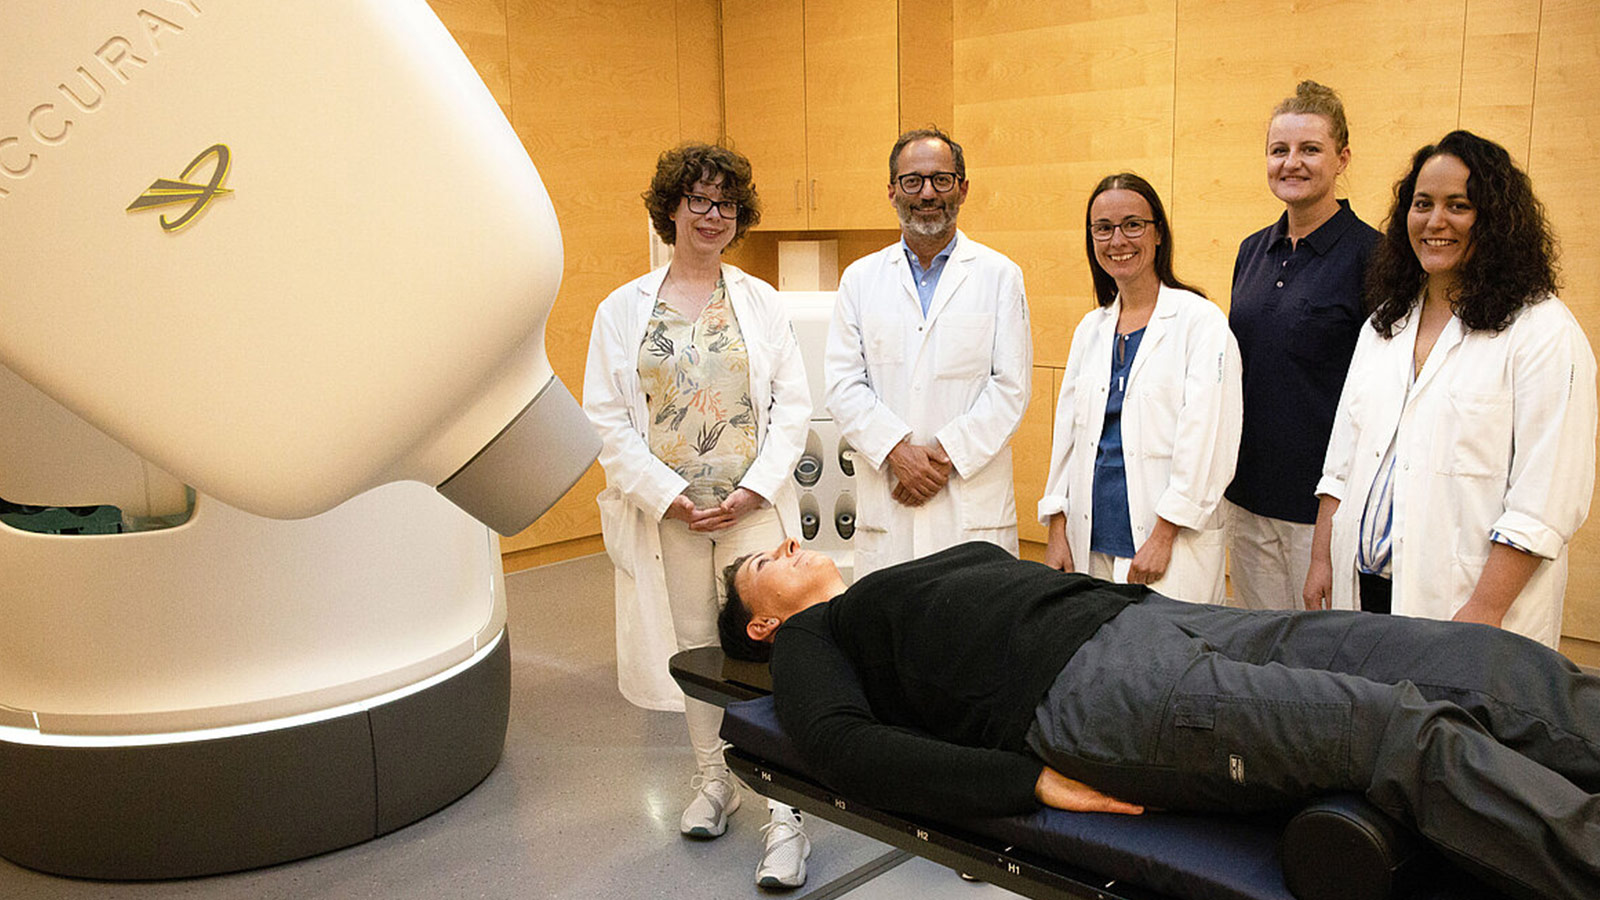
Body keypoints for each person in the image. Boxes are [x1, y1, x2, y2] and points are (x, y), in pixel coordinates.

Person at [720, 537, 1600, 900]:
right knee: (1403, 733)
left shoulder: (890, 582)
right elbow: (843, 748)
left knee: (1477, 662)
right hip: (1101, 698)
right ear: (761, 620)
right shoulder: (812, 640)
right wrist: (1021, 782)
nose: (788, 542)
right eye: (764, 558)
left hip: (1162, 619)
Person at [582, 142, 814, 887]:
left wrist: (756, 487)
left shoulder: (760, 302)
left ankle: (785, 813)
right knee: (694, 649)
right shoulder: (623, 310)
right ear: (671, 210)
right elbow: (607, 420)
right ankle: (714, 781)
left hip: (749, 507)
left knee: (770, 650)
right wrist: (665, 496)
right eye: (700, 201)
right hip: (674, 516)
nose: (713, 216)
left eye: (727, 204)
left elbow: (793, 407)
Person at [1304, 130, 1597, 648]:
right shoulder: (1383, 325)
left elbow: (1546, 498)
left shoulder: (1541, 332)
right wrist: (1323, 559)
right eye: (1423, 204)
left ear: (1496, 219)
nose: (1435, 221)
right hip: (1365, 596)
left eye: (1458, 205)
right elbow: (1341, 461)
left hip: (1470, 609)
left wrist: (1484, 610)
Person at [823, 127, 1032, 577]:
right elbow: (843, 384)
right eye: (912, 180)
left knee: (973, 635)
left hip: (970, 505)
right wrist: (897, 451)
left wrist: (943, 458)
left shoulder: (1000, 275)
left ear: (963, 187)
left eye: (941, 179)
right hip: (890, 498)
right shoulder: (860, 280)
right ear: (892, 191)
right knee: (890, 639)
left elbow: (1010, 387)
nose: (927, 193)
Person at [1038, 173, 1241, 603]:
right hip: (1089, 541)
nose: (1118, 240)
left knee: (1168, 663)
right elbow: (1067, 438)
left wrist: (1164, 534)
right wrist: (1057, 526)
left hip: (1166, 546)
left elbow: (1209, 440)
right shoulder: (1090, 330)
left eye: (1133, 224)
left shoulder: (1199, 322)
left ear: (1159, 234)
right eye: (1103, 229)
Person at [1225, 81, 1380, 610]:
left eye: (1310, 149)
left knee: (1322, 663)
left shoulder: (1375, 257)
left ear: (1342, 158)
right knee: (1257, 654)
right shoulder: (1251, 251)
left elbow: (1380, 397)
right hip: (1244, 498)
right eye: (1279, 150)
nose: (1291, 163)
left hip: (1323, 512)